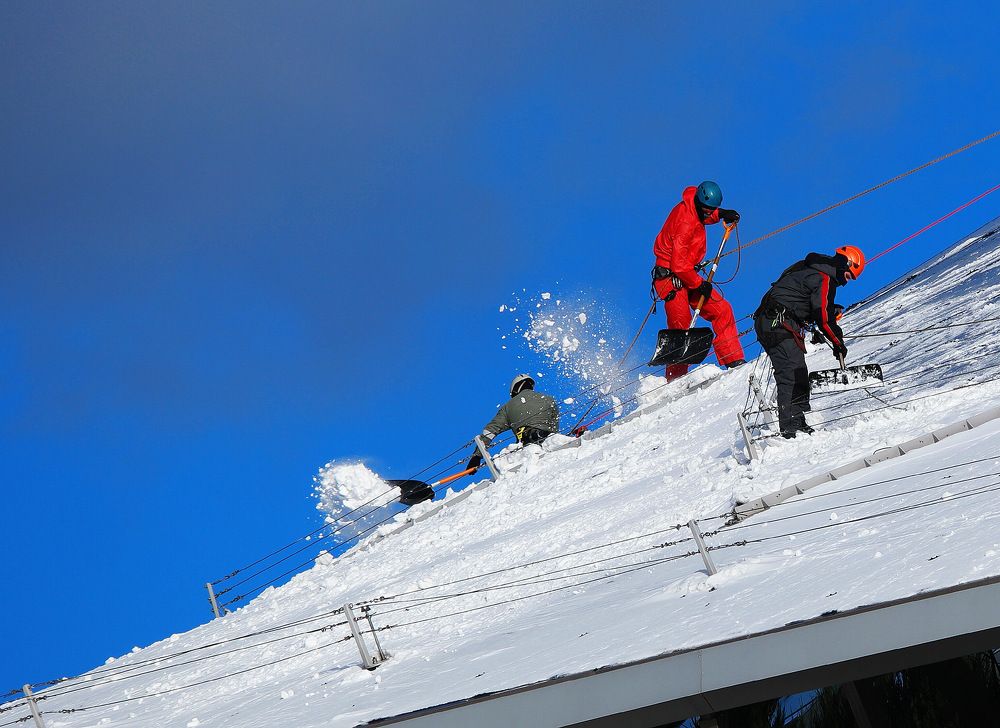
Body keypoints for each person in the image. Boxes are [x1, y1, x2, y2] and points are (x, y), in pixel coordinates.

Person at [753, 245, 865, 438]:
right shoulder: (824, 278)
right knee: (790, 372)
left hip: (772, 320)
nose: (846, 283)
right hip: (778, 323)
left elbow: (796, 297)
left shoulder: (808, 267)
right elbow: (823, 317)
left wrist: (821, 312)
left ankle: (797, 421)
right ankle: (790, 428)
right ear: (844, 264)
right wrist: (838, 342)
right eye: (847, 276)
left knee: (797, 370)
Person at [652, 181, 746, 380]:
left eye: (711, 209)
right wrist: (698, 284)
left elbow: (704, 214)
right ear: (698, 203)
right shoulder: (685, 221)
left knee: (722, 310)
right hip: (671, 277)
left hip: (688, 274)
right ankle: (675, 380)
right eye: (707, 210)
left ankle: (733, 359)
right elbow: (677, 265)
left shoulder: (696, 206)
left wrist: (721, 214)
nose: (708, 213)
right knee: (682, 327)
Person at [467, 375, 560, 470]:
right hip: (549, 439)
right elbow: (555, 425)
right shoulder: (548, 399)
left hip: (527, 441)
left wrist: (477, 456)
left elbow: (490, 431)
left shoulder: (508, 407)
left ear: (515, 389)